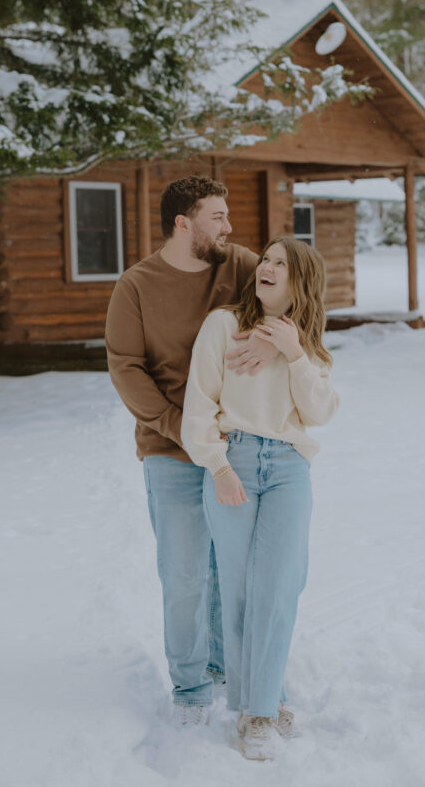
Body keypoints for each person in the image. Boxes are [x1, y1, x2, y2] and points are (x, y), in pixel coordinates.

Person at [105, 175, 275, 726]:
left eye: (227, 217)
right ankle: (191, 688)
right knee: (184, 573)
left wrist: (276, 340)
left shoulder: (240, 265)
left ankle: (229, 666)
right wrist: (186, 430)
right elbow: (126, 368)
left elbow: (290, 295)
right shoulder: (136, 285)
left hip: (238, 446)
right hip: (171, 447)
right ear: (184, 222)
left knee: (233, 569)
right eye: (218, 217)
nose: (229, 227)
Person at [181, 236, 339, 759]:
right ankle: (264, 708)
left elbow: (318, 411)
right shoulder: (223, 326)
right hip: (237, 462)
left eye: (281, 264)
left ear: (301, 282)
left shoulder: (307, 340)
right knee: (243, 590)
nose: (267, 267)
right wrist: (219, 467)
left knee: (280, 586)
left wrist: (293, 351)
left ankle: (259, 708)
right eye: (267, 259)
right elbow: (199, 404)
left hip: (290, 468)